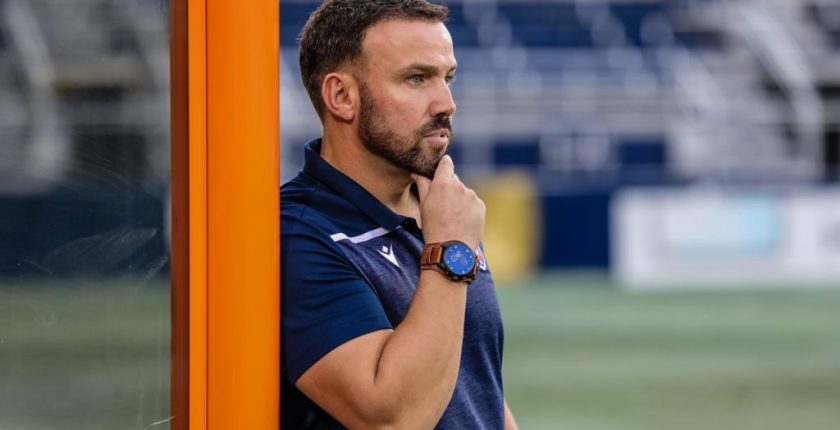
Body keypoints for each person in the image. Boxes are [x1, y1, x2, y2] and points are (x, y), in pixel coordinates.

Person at [281, 0, 518, 428]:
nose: (446, 104)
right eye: (416, 78)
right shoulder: (297, 234)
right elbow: (392, 418)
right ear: (342, 97)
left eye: (448, 78)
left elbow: (477, 392)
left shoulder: (441, 210)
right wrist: (449, 250)